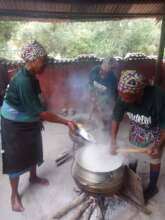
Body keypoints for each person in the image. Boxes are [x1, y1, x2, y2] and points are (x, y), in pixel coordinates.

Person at [0, 41, 77, 212]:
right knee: (16, 159)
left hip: (28, 118)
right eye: (43, 60)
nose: (46, 63)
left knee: (34, 148)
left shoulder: (31, 76)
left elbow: (39, 100)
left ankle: (33, 177)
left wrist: (46, 106)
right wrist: (66, 121)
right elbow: (41, 114)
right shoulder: (23, 82)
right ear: (33, 60)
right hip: (13, 124)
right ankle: (14, 195)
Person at [110, 70, 165, 202]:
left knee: (154, 158)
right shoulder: (123, 94)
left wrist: (158, 145)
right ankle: (131, 179)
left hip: (155, 131)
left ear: (140, 93)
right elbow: (116, 119)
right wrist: (112, 141)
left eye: (127, 98)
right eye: (121, 96)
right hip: (137, 128)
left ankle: (152, 188)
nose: (122, 100)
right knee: (132, 155)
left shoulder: (158, 96)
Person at [89, 57, 118, 131]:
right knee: (93, 107)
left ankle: (107, 126)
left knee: (105, 110)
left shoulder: (112, 78)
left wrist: (100, 101)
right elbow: (90, 83)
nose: (103, 72)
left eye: (110, 69)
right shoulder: (94, 70)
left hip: (106, 97)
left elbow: (111, 94)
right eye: (102, 70)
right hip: (95, 92)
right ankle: (91, 124)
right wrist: (92, 94)